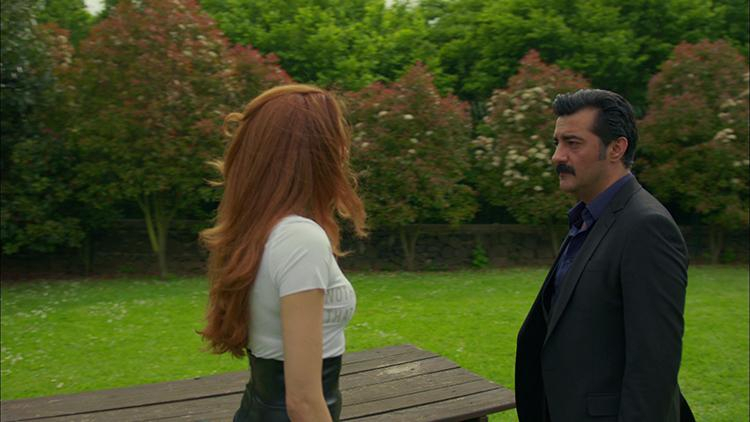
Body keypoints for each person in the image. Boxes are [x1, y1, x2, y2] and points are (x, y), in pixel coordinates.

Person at [515, 89, 695, 422]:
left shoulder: (647, 227)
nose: (556, 156)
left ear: (616, 148)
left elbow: (654, 365)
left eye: (573, 143)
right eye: (557, 142)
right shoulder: (588, 219)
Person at [199, 84, 366, 422]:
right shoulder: (301, 239)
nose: (344, 151)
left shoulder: (262, 230)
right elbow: (302, 402)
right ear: (313, 153)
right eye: (337, 139)